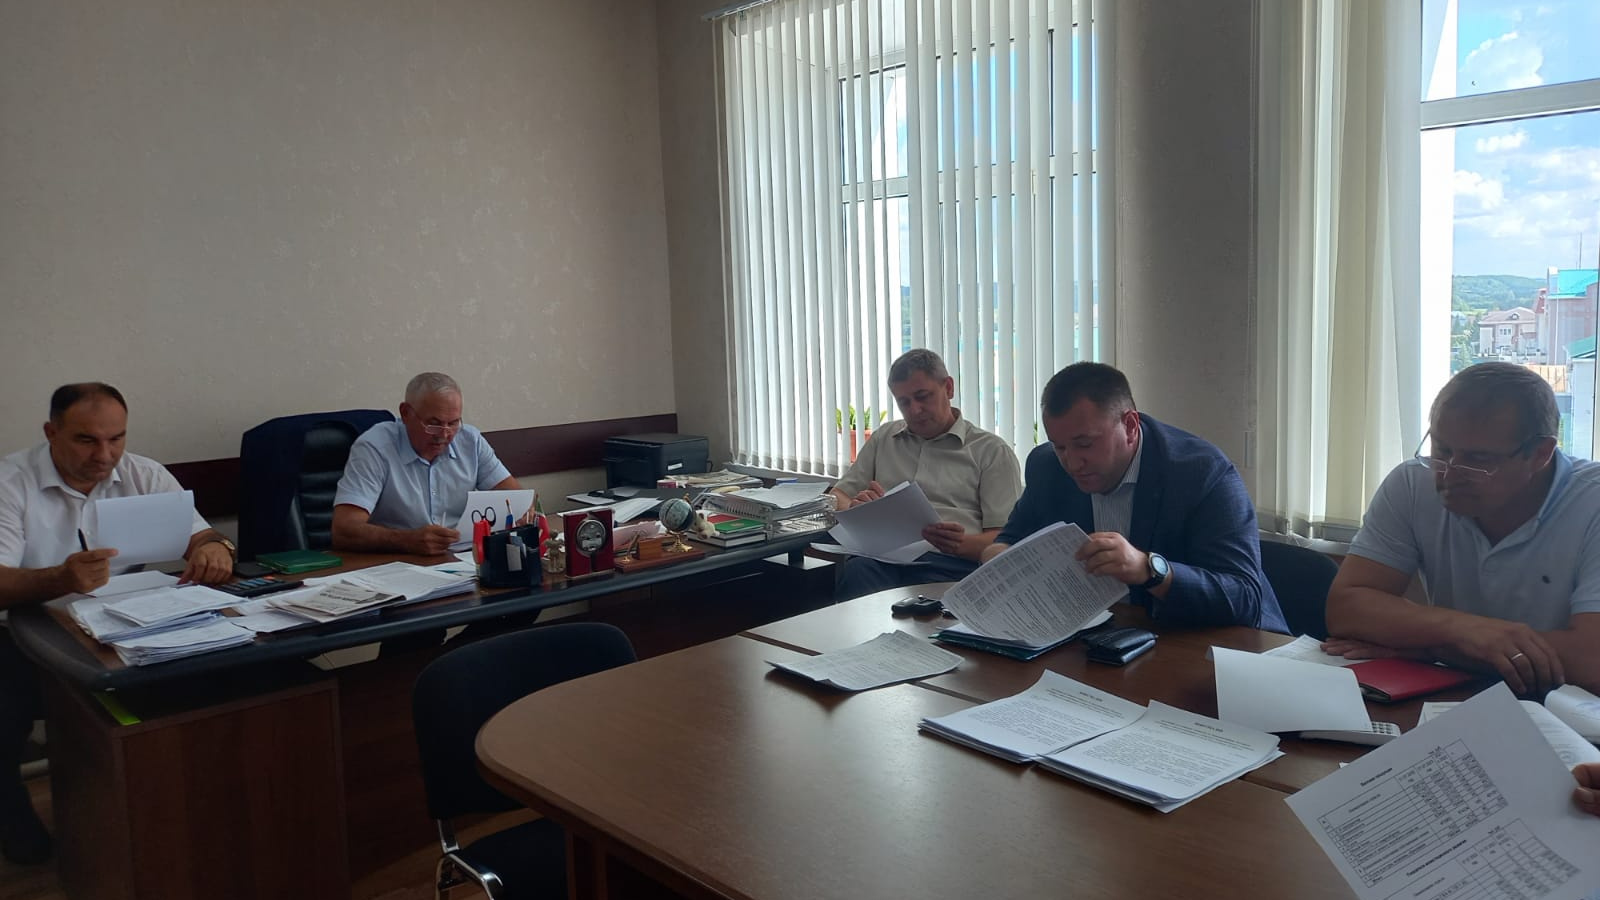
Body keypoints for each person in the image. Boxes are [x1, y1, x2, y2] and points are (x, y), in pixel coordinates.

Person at [0, 383, 235, 864]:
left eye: (116, 439)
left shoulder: (143, 473)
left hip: (125, 625)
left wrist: (214, 547)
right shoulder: (10, 483)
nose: (104, 455)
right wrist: (59, 578)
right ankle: (20, 831)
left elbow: (200, 533)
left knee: (226, 684)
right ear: (51, 433)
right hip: (26, 630)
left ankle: (183, 821)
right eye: (86, 440)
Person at [1323, 362, 1600, 696]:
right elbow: (1346, 609)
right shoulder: (1412, 482)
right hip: (1457, 698)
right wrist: (1462, 629)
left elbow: (1591, 662)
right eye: (1442, 449)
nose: (1449, 475)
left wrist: (1429, 646)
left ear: (1541, 454)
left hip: (1572, 714)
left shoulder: (1592, 502)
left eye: (1479, 459)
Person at [983, 362, 1286, 631]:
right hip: (1099, 636)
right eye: (1059, 446)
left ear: (1129, 426)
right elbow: (1008, 540)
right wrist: (997, 558)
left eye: (1085, 444)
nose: (1072, 463)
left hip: (1205, 642)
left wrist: (1148, 569)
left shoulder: (1201, 473)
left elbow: (1244, 597)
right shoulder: (1047, 466)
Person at [829, 349, 1022, 600]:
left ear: (949, 388)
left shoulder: (991, 451)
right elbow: (838, 495)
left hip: (952, 564)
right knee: (857, 573)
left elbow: (1004, 540)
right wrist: (857, 510)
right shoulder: (884, 438)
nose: (915, 410)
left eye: (923, 397)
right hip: (884, 558)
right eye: (904, 402)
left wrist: (959, 543)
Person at [332, 372, 526, 555]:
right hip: (398, 560)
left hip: (463, 560)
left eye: (453, 423)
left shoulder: (470, 441)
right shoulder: (375, 447)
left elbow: (518, 502)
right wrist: (406, 540)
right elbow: (344, 530)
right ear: (406, 413)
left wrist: (523, 515)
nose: (444, 434)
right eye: (434, 424)